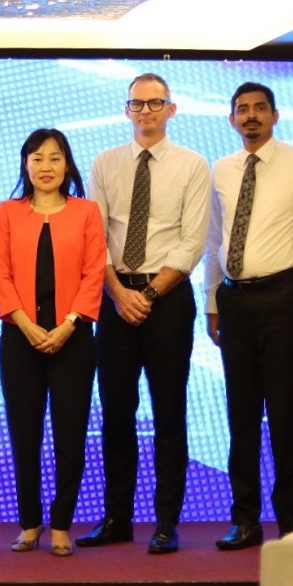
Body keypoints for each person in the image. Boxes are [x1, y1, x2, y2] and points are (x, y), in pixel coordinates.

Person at [79, 73, 211, 554]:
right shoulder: (105, 162)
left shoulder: (193, 165)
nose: (147, 112)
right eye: (138, 104)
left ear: (171, 110)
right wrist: (118, 294)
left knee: (169, 413)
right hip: (115, 299)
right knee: (116, 414)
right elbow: (95, 238)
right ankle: (116, 518)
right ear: (127, 110)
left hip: (168, 300)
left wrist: (148, 294)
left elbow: (192, 241)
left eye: (156, 103)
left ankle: (166, 523)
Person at [204, 83, 293, 549]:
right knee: (242, 416)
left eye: (259, 109)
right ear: (231, 119)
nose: (250, 117)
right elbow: (215, 239)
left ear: (275, 115)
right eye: (242, 110)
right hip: (235, 302)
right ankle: (245, 519)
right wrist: (213, 301)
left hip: (284, 300)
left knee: (284, 414)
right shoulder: (222, 169)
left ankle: (290, 522)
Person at [0, 128, 106, 557]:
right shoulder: (7, 212)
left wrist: (69, 324)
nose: (46, 167)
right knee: (24, 434)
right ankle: (29, 522)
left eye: (55, 158)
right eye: (37, 158)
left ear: (67, 165)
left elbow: (95, 273)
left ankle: (61, 523)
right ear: (25, 164)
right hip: (20, 339)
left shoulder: (86, 212)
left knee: (70, 434)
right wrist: (25, 324)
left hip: (72, 339)